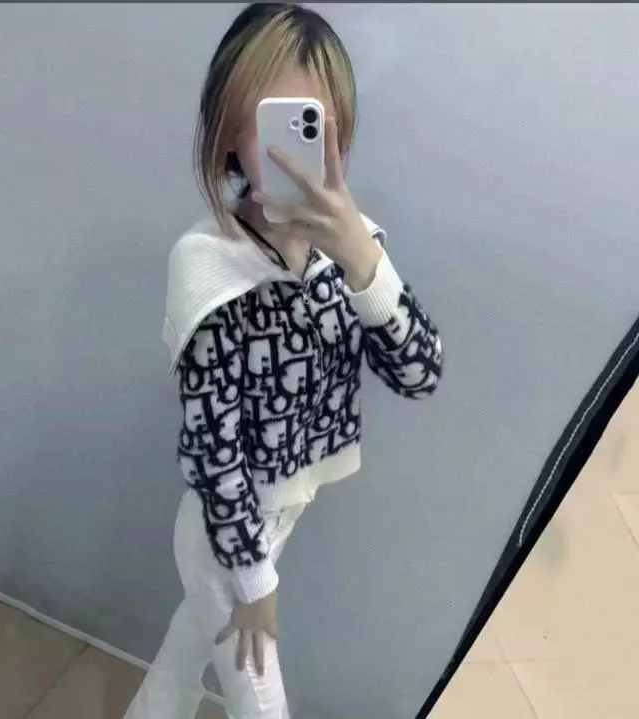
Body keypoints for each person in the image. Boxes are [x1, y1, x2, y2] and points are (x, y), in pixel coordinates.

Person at [122, 3, 443, 718]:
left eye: (310, 126)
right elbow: (215, 451)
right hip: (223, 538)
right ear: (230, 134)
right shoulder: (208, 267)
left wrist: (362, 259)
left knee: (181, 661)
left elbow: (420, 372)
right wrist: (255, 584)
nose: (289, 153)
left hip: (281, 520)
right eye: (271, 124)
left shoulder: (352, 251)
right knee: (262, 704)